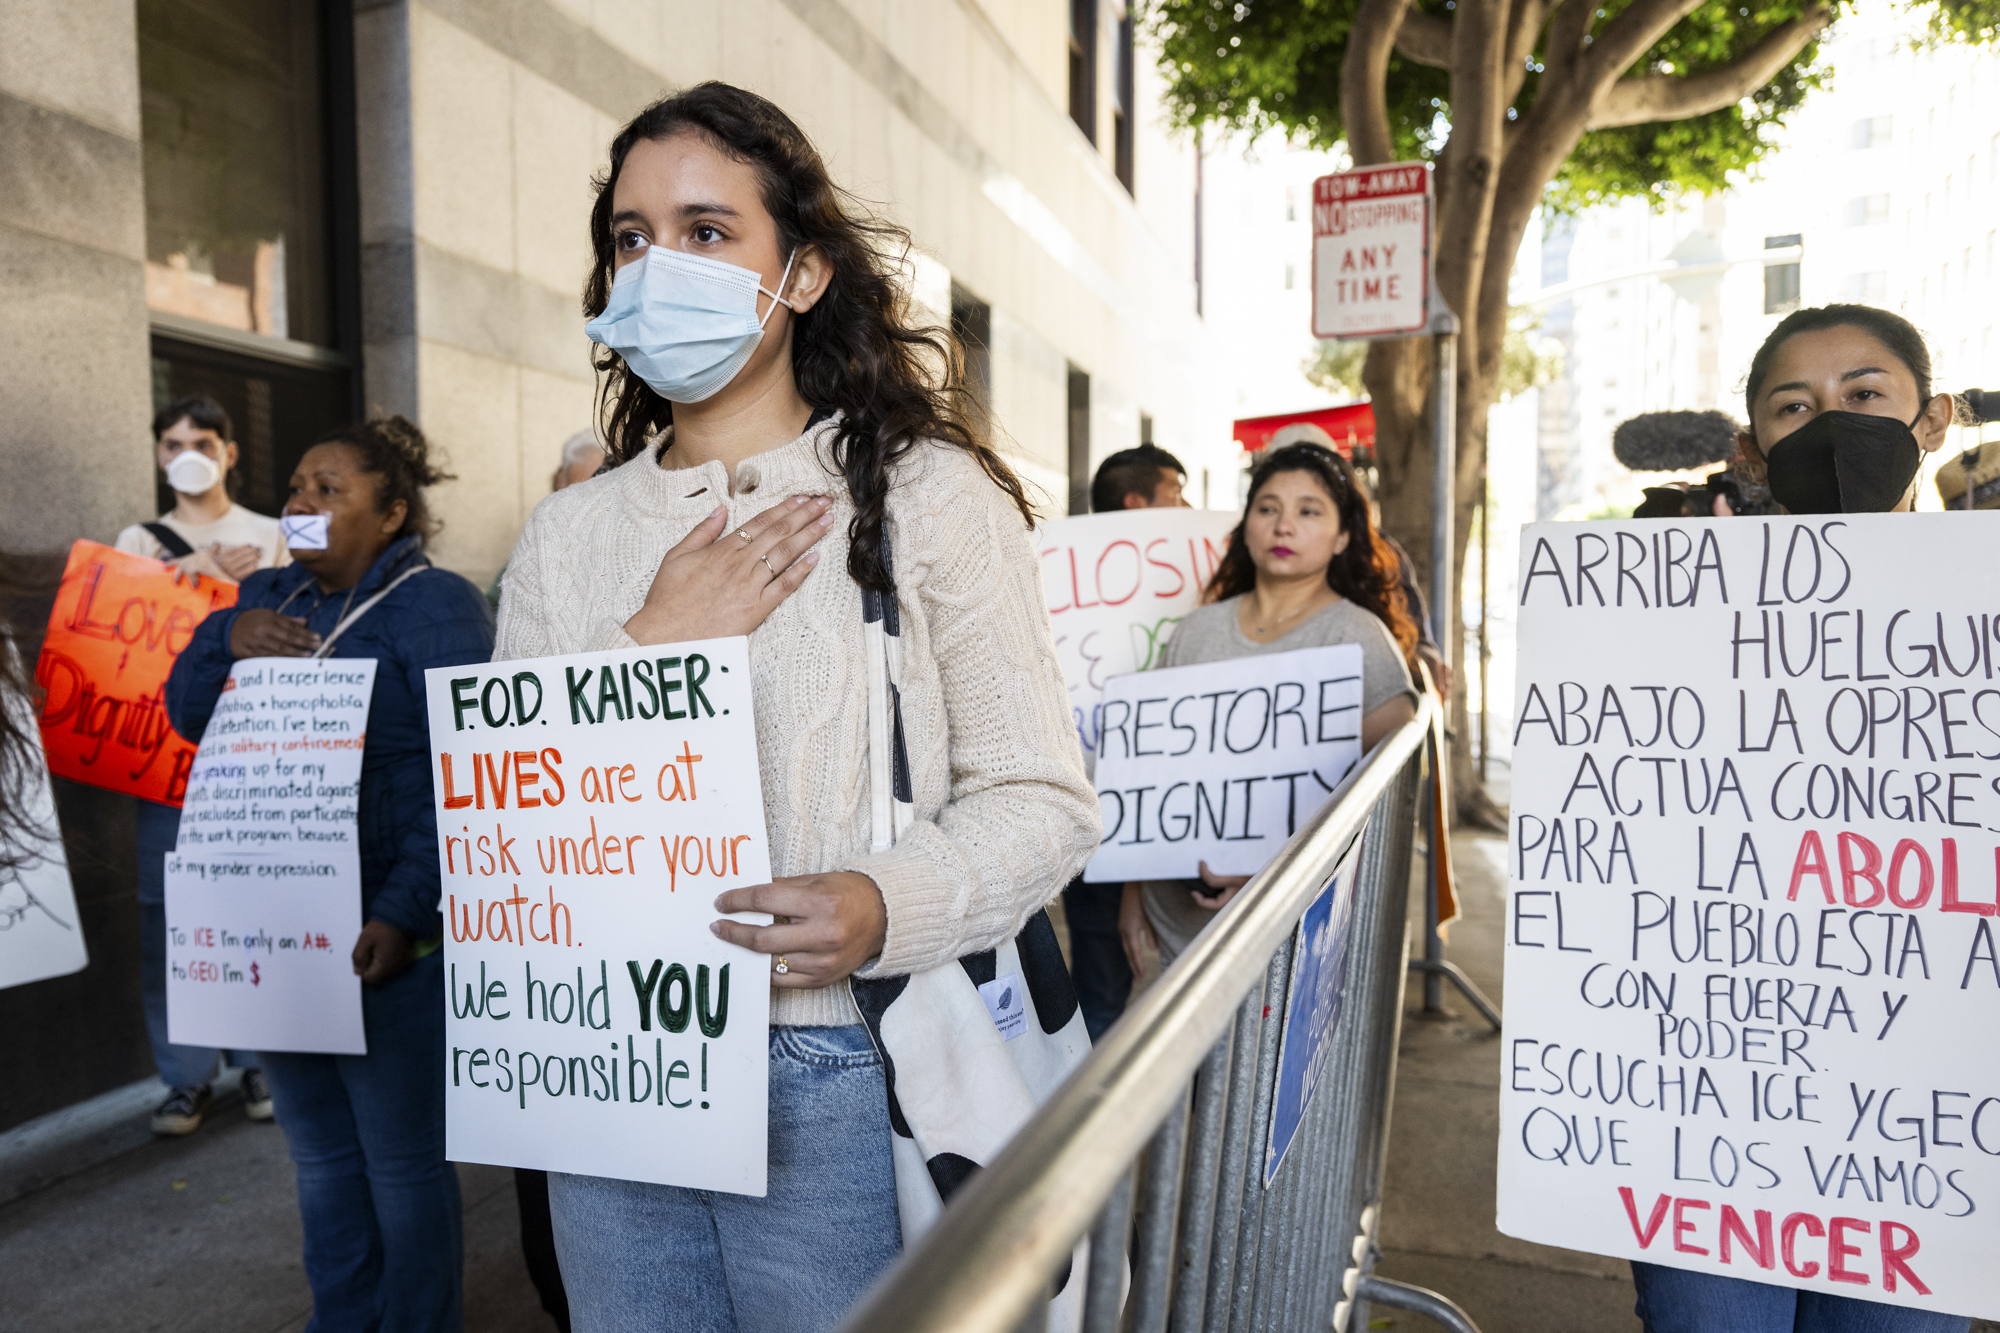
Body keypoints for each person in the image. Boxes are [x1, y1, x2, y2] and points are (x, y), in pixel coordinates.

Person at [494, 82, 1098, 1331]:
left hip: (837, 1069)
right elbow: (508, 817)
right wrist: (654, 640)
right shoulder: (566, 539)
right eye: (631, 236)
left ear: (804, 274)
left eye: (709, 231)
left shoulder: (926, 497)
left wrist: (886, 902)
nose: (660, 263)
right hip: (610, 1066)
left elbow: (1040, 796)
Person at [1625, 304, 1965, 1333]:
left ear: (1931, 418)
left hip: (1926, 1112)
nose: (1830, 423)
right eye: (1792, 406)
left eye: (1863, 396)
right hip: (1718, 1106)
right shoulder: (1665, 607)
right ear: (1748, 448)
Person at [166, 416, 495, 1333]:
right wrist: (228, 637)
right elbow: (187, 715)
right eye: (297, 487)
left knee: (400, 1161)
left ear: (391, 514)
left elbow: (464, 776)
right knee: (319, 1159)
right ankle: (344, 1318)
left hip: (385, 938)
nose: (301, 503)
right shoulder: (268, 594)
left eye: (328, 490)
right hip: (279, 934)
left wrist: (403, 908)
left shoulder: (438, 608)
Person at [1119, 442, 1419, 976]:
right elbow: (1155, 773)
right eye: (1267, 508)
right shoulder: (1196, 630)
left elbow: (1383, 802)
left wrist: (1268, 867)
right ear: (1247, 523)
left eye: (1309, 511)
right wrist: (1133, 892)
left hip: (1293, 924)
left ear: (1343, 535)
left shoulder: (1358, 638)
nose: (1283, 526)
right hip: (1179, 922)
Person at [115, 394, 289, 1134]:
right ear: (158, 453)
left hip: (249, 758)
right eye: (172, 442)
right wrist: (192, 569)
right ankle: (184, 1077)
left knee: (248, 906)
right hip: (159, 762)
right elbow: (113, 624)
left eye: (202, 440)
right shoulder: (139, 537)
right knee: (166, 916)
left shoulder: (272, 533)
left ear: (229, 451)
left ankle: (259, 1059)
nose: (186, 453)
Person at [1059, 443, 1191, 1042]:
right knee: (1102, 977)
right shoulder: (1061, 578)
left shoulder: (1196, 578)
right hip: (1096, 806)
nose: (1187, 506)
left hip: (1172, 807)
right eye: (1175, 493)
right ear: (1139, 504)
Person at [486, 430, 607, 612]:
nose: (589, 505)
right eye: (580, 490)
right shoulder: (536, 549)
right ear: (560, 482)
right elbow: (495, 608)